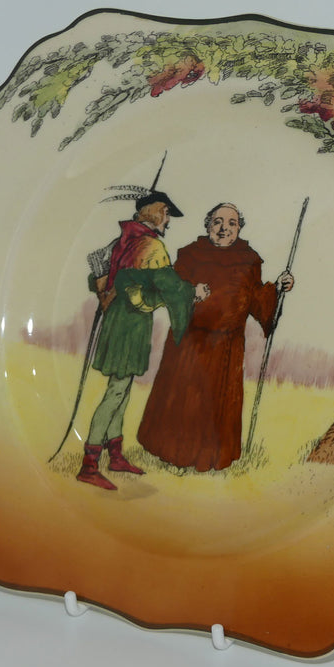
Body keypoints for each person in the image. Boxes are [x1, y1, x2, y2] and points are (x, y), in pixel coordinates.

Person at [137, 202, 294, 471]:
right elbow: (172, 291)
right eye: (218, 222)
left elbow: (257, 301)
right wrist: (190, 293)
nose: (224, 228)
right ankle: (173, 452)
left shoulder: (249, 260)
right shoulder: (190, 255)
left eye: (232, 223)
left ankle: (211, 456)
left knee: (215, 403)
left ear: (239, 228)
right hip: (189, 344)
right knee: (185, 399)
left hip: (226, 348)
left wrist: (278, 289)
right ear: (208, 224)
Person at [77, 191, 210, 490]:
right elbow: (162, 289)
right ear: (151, 211)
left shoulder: (124, 241)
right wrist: (193, 293)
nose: (168, 220)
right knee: (116, 391)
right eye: (166, 212)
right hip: (128, 325)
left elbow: (109, 282)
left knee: (122, 390)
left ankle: (115, 455)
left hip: (123, 323)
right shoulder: (150, 246)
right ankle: (89, 464)